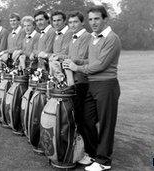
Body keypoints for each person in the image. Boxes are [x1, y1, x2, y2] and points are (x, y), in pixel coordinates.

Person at [66, 6, 121, 171]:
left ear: (105, 19)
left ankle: (104, 161)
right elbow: (89, 61)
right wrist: (74, 61)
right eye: (90, 19)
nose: (93, 22)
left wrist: (77, 68)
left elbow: (100, 65)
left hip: (107, 85)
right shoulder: (93, 38)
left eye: (96, 19)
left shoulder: (112, 38)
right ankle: (94, 153)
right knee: (86, 119)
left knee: (106, 124)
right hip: (93, 85)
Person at [61, 11, 92, 165]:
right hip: (73, 81)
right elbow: (68, 57)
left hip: (83, 81)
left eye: (75, 22)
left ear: (82, 23)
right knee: (74, 116)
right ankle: (76, 149)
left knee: (80, 117)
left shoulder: (87, 37)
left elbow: (89, 60)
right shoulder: (73, 38)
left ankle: (84, 152)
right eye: (70, 23)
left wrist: (72, 61)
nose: (72, 25)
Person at [45, 11, 73, 81]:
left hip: (66, 67)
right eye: (54, 21)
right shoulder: (56, 33)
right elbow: (51, 51)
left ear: (64, 21)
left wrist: (49, 56)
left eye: (59, 20)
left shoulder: (69, 32)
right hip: (55, 65)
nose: (56, 23)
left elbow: (65, 53)